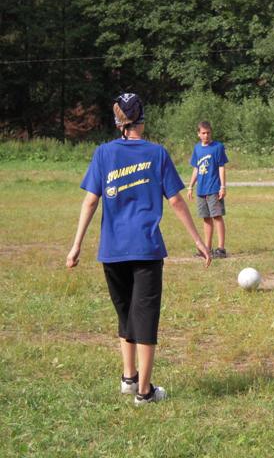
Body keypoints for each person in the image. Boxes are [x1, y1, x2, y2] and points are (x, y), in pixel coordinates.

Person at [66, 93, 211, 406]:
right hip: (146, 250)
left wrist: (76, 245)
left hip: (112, 250)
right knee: (144, 318)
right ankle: (144, 392)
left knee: (125, 313)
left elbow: (90, 200)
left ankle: (129, 378)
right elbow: (176, 200)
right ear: (141, 120)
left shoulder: (103, 153)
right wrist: (198, 241)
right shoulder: (157, 153)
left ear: (118, 121)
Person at [187, 121, 229, 258]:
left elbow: (221, 167)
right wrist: (190, 186)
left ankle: (221, 249)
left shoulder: (218, 147)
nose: (206, 135)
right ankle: (207, 249)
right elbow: (196, 168)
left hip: (214, 188)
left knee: (217, 216)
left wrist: (222, 186)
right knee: (206, 218)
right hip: (201, 190)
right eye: (203, 133)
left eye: (208, 133)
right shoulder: (197, 148)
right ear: (198, 134)